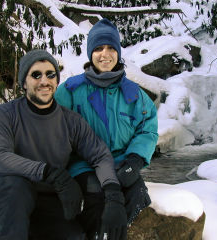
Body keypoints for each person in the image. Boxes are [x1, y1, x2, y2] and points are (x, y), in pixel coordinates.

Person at [0, 49, 127, 240]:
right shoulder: (3, 115)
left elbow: (100, 155)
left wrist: (113, 194)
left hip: (46, 201)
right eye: (35, 75)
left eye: (50, 74)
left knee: (74, 236)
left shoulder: (71, 121)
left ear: (56, 80)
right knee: (15, 189)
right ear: (23, 82)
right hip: (3, 196)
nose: (44, 81)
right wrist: (50, 173)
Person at [55, 18, 158, 239]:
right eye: (99, 48)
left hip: (122, 162)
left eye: (111, 48)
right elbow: (54, 129)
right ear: (90, 53)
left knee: (138, 194)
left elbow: (147, 129)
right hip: (84, 165)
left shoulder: (134, 93)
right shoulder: (70, 91)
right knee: (95, 193)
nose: (105, 54)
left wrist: (135, 160)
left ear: (118, 53)